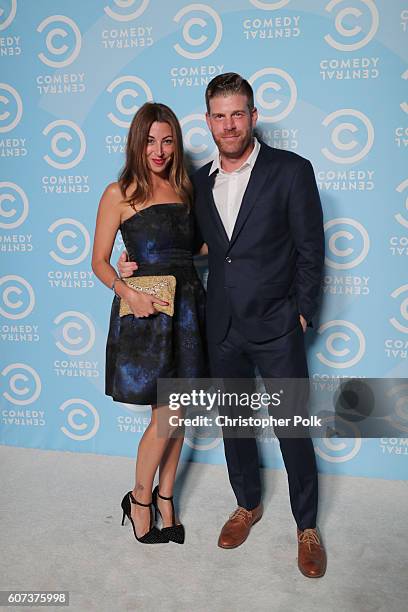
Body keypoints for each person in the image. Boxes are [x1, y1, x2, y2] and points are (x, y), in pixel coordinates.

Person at [118, 73, 327, 577]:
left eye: (238, 113)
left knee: (292, 427)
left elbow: (310, 250)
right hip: (222, 327)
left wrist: (301, 312)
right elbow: (189, 247)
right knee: (236, 426)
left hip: (278, 324)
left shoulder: (291, 171)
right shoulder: (199, 182)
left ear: (253, 117)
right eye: (219, 115)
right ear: (208, 122)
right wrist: (136, 264)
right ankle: (247, 504)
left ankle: (307, 526)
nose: (229, 124)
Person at [92, 102, 207, 545]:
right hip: (149, 309)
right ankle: (139, 501)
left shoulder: (185, 189)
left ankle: (165, 498)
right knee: (168, 412)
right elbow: (99, 263)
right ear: (136, 142)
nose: (158, 150)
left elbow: (194, 248)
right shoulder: (118, 192)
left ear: (175, 143)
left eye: (167, 140)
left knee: (179, 413)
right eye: (150, 140)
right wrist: (130, 292)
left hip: (191, 306)